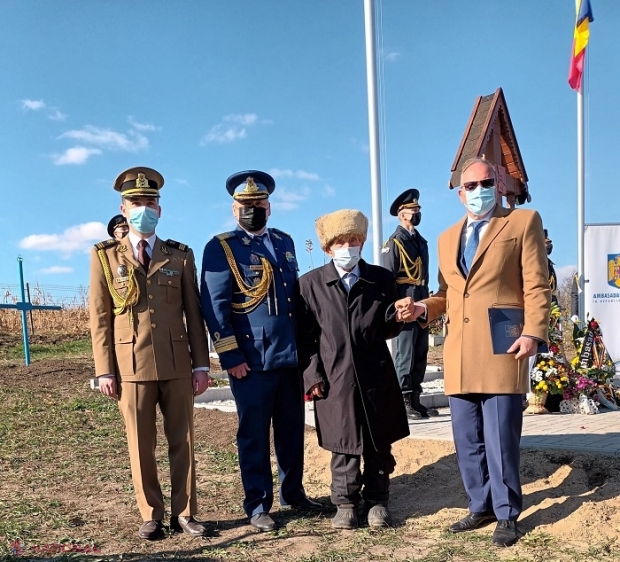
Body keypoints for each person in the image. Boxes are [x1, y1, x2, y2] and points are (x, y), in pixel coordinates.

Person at [415, 158, 550, 547]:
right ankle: (481, 505)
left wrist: (533, 333)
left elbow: (537, 285)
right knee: (467, 437)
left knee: (499, 436)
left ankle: (507, 513)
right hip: (458, 350)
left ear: (499, 183)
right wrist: (425, 308)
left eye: (485, 182)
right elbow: (447, 294)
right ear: (460, 194)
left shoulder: (522, 223)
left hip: (502, 345)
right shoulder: (446, 238)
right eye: (470, 186)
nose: (478, 191)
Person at [89, 166, 212, 540]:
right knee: (140, 446)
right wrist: (104, 370)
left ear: (160, 209)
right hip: (131, 367)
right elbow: (100, 318)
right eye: (136, 203)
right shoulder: (105, 257)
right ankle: (151, 514)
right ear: (123, 209)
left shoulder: (180, 255)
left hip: (177, 364)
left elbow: (194, 313)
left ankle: (185, 513)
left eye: (150, 202)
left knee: (184, 441)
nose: (144, 208)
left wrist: (202, 364)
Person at [200, 170, 321, 532]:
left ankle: (293, 493)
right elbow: (215, 305)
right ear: (234, 209)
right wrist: (231, 357)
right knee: (253, 434)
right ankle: (257, 504)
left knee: (291, 430)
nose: (254, 209)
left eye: (260, 204)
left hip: (288, 357)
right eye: (246, 205)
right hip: (251, 362)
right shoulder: (222, 247)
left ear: (269, 206)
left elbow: (290, 302)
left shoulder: (284, 241)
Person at [296, 209, 412, 530]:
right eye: (341, 242)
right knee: (343, 443)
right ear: (328, 248)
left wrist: (398, 317)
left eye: (355, 240)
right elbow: (304, 339)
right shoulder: (309, 285)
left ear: (362, 242)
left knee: (377, 440)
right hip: (334, 377)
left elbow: (386, 328)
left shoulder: (380, 279)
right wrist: (312, 376)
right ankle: (345, 503)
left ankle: (377, 501)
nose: (349, 247)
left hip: (375, 374)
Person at [382, 189, 438, 419]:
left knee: (420, 352)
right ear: (401, 214)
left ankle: (415, 399)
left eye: (418, 210)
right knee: (405, 354)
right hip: (405, 302)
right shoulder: (394, 242)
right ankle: (403, 399)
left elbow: (423, 274)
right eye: (412, 210)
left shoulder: (420, 242)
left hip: (421, 300)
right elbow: (387, 278)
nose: (416, 213)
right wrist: (393, 308)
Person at [544, 229, 558, 305]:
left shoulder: (548, 263)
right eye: (547, 243)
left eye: (549, 243)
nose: (549, 246)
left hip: (550, 300)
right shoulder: (536, 262)